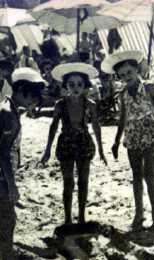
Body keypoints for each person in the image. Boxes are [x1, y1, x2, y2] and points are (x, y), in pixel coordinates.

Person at [0, 67, 46, 260]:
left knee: (6, 220)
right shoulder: (8, 113)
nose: (33, 104)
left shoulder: (6, 106)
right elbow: (3, 154)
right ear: (21, 91)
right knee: (8, 222)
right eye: (32, 98)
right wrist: (12, 186)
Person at [102, 50, 154, 231]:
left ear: (136, 70)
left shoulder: (150, 88)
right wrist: (117, 140)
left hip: (150, 135)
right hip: (133, 136)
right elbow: (122, 119)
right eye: (122, 75)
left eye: (129, 72)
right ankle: (139, 213)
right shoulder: (123, 94)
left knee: (149, 175)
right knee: (136, 176)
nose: (126, 77)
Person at [41, 63, 107, 224]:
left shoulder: (90, 104)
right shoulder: (60, 105)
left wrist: (101, 150)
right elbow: (53, 127)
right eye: (71, 84)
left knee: (83, 181)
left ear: (85, 85)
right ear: (65, 86)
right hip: (66, 144)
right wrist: (47, 150)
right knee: (68, 182)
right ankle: (68, 218)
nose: (76, 88)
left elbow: (96, 126)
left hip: (84, 143)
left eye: (79, 84)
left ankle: (82, 217)